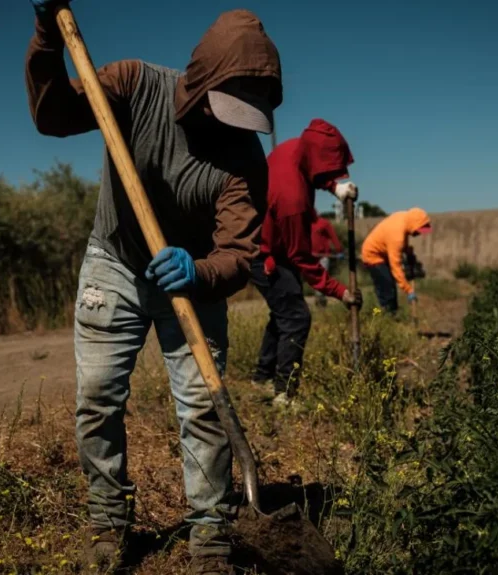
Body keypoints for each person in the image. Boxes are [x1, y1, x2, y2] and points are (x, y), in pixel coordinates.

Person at [24, 2, 282, 573]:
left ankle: (210, 534)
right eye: (226, 106)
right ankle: (107, 521)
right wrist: (46, 35)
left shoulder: (245, 162)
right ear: (202, 78)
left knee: (203, 407)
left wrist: (201, 272)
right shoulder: (136, 84)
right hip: (115, 259)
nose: (235, 125)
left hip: (191, 279)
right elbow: (54, 116)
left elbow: (240, 254)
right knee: (97, 397)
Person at [250, 119, 362, 406]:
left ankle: (261, 377)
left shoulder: (292, 147)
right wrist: (340, 291)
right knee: (296, 317)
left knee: (283, 312)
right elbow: (301, 257)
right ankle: (284, 394)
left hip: (268, 241)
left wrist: (334, 188)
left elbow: (313, 170)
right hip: (263, 254)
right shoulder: (293, 199)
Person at [360, 207, 432, 314]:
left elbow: (403, 239)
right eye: (419, 230)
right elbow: (396, 267)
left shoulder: (405, 219)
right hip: (372, 255)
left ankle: (392, 313)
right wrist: (408, 290)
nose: (419, 234)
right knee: (387, 287)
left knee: (390, 285)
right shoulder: (397, 236)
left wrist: (408, 252)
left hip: (383, 254)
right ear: (414, 224)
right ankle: (385, 316)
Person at [310, 216, 344, 307]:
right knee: (314, 280)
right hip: (310, 257)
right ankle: (319, 301)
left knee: (321, 279)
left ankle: (321, 302)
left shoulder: (324, 223)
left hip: (323, 257)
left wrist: (339, 250)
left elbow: (333, 236)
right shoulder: (304, 223)